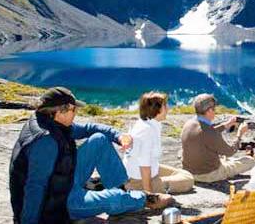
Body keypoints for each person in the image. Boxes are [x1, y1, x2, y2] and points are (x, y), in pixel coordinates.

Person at [9, 87, 172, 224]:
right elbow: (35, 186)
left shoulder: (48, 121)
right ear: (60, 112)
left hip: (61, 181)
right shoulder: (46, 141)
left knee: (99, 140)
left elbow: (89, 128)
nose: (76, 113)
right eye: (74, 109)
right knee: (111, 199)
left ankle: (123, 192)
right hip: (57, 203)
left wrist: (118, 136)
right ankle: (145, 199)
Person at [123, 92, 194, 193]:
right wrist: (149, 194)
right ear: (158, 109)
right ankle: (141, 188)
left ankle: (158, 184)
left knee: (185, 174)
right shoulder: (147, 131)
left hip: (150, 169)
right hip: (138, 180)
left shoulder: (149, 123)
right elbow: (144, 166)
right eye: (165, 106)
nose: (168, 109)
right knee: (187, 181)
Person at [181, 93, 255, 182]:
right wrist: (239, 134)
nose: (215, 112)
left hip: (189, 172)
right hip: (209, 174)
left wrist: (226, 125)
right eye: (214, 109)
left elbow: (206, 132)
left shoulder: (189, 124)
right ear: (208, 111)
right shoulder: (210, 132)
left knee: (224, 159)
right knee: (250, 161)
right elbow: (230, 151)